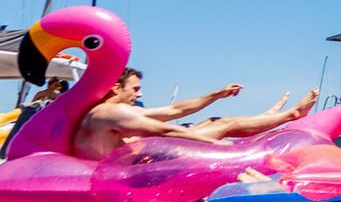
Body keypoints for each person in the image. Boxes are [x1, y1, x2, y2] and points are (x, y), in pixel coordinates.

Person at [70, 68, 317, 160]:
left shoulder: (116, 111)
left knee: (216, 121)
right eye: (135, 89)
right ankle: (291, 114)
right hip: (130, 166)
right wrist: (223, 148)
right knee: (222, 125)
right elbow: (167, 129)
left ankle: (290, 115)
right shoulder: (109, 113)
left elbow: (174, 110)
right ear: (116, 88)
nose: (138, 94)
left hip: (140, 156)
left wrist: (215, 95)